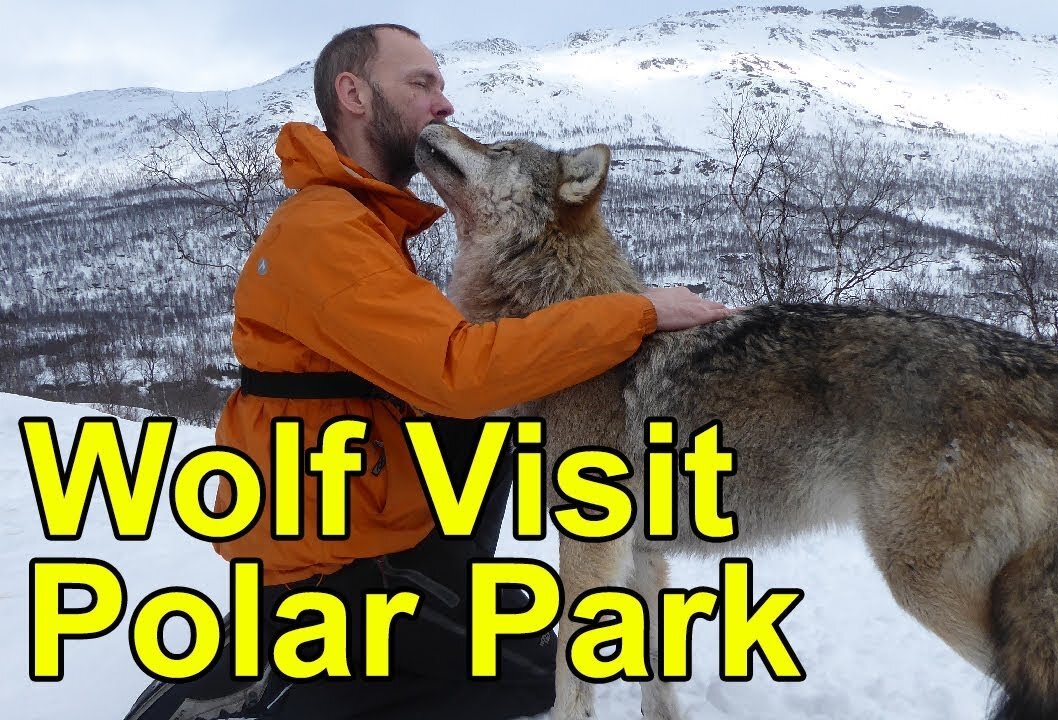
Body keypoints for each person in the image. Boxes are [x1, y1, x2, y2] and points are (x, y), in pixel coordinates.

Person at [123, 22, 731, 720]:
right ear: (353, 94)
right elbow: (461, 371)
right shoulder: (328, 232)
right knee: (526, 679)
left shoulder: (360, 220)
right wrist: (638, 314)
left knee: (496, 468)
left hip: (356, 517)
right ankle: (271, 683)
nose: (443, 103)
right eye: (421, 83)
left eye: (440, 84)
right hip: (332, 559)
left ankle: (388, 615)